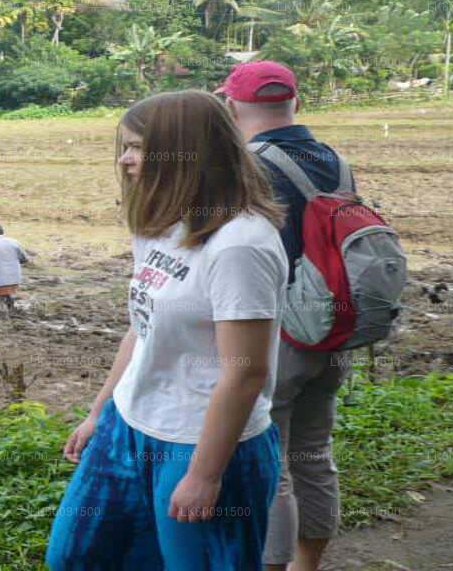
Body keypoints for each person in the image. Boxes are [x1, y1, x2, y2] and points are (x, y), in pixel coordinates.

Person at [45, 90, 287, 570]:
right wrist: (100, 413)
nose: (125, 159)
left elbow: (245, 373)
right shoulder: (160, 224)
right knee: (74, 558)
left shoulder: (239, 245)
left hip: (199, 441)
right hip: (128, 424)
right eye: (125, 147)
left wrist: (205, 475)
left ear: (185, 153)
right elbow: (142, 329)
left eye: (137, 147)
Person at [218, 61, 354, 571]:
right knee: (314, 455)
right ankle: (306, 565)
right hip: (333, 329)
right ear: (296, 101)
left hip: (277, 333)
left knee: (271, 465)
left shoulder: (246, 167)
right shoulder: (335, 161)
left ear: (231, 107)